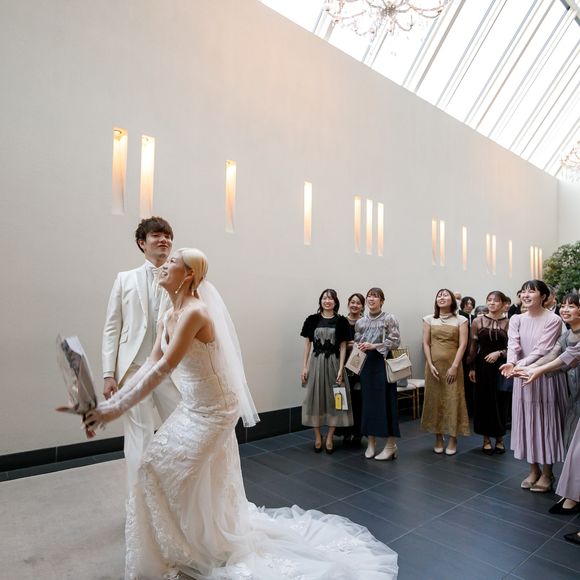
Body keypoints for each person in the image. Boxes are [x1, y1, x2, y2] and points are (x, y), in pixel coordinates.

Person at [86, 249, 398, 579]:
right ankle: (196, 537)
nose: (164, 265)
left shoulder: (195, 312)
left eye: (173, 262)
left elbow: (164, 367)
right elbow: (151, 362)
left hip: (215, 408)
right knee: (157, 466)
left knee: (164, 468)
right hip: (192, 404)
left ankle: (195, 545)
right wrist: (111, 401)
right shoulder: (168, 312)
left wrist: (113, 409)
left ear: (189, 275)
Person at [102, 216, 181, 490]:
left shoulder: (182, 279)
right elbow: (112, 327)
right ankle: (139, 501)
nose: (164, 240)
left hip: (170, 370)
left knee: (182, 430)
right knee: (139, 437)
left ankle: (174, 494)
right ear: (142, 243)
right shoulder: (124, 279)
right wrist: (108, 374)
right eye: (157, 235)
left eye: (168, 236)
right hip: (134, 369)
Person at [500, 280, 568, 493]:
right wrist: (511, 362)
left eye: (532, 291)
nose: (526, 295)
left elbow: (543, 349)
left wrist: (520, 366)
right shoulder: (516, 319)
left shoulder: (554, 319)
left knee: (546, 424)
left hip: (545, 376)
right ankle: (533, 470)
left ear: (544, 296)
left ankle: (547, 473)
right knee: (527, 422)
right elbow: (513, 344)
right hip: (522, 377)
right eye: (523, 292)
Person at [520, 341, 580, 534]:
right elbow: (567, 356)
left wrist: (536, 369)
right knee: (574, 449)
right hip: (574, 394)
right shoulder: (566, 337)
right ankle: (573, 496)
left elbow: (569, 355)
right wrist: (532, 368)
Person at [301, 289, 353, 453]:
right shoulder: (312, 320)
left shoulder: (341, 321)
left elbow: (343, 346)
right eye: (324, 298)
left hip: (334, 363)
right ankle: (318, 437)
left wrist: (341, 368)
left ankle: (330, 436)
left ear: (335, 302)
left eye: (330, 298)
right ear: (320, 301)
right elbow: (307, 344)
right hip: (316, 363)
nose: (327, 301)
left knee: (337, 400)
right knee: (314, 398)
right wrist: (305, 366)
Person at [421, 289, 470, 455]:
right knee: (435, 400)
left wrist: (455, 366)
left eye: (445, 295)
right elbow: (426, 343)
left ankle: (453, 438)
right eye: (439, 295)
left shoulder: (461, 320)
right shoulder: (428, 319)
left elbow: (463, 345)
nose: (442, 297)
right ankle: (438, 437)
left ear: (452, 300)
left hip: (453, 366)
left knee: (453, 400)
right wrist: (430, 364)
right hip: (433, 367)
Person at [355, 288, 401, 460]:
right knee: (368, 404)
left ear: (382, 301)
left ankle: (391, 445)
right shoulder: (361, 321)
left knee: (388, 402)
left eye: (375, 296)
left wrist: (374, 346)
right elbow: (357, 341)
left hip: (383, 362)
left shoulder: (389, 318)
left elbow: (396, 341)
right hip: (366, 364)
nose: (371, 299)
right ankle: (371, 443)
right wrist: (359, 346)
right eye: (369, 296)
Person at [467, 291, 510, 454]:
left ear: (504, 304)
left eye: (496, 301)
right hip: (482, 366)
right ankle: (485, 439)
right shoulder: (477, 321)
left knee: (501, 401)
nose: (492, 303)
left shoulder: (509, 322)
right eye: (489, 300)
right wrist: (472, 367)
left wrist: (499, 353)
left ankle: (499, 438)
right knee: (483, 402)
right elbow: (472, 346)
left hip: (502, 367)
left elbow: (514, 347)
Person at [339, 292, 365, 446]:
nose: (355, 305)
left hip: (360, 365)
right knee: (343, 398)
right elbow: (337, 342)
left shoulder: (365, 322)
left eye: (358, 303)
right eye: (352, 302)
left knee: (358, 399)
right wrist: (347, 345)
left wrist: (352, 344)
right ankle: (345, 431)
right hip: (342, 363)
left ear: (362, 306)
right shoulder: (341, 321)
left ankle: (358, 432)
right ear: (348, 303)